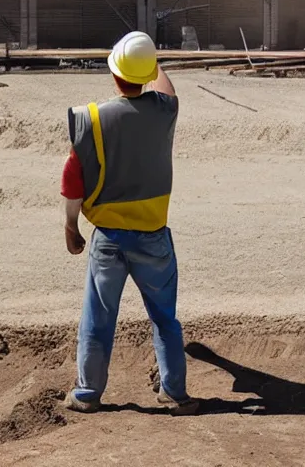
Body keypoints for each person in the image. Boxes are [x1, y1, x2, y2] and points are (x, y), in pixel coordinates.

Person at [61, 31, 198, 416]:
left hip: (108, 241)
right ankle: (174, 392)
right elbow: (166, 88)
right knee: (164, 318)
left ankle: (87, 394)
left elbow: (73, 181)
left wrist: (71, 228)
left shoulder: (92, 120)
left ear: (114, 74)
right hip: (154, 239)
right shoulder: (164, 112)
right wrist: (152, 62)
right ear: (147, 71)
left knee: (98, 318)